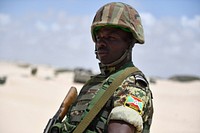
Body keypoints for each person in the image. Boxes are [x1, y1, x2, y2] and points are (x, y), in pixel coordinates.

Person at [51, 2, 153, 133]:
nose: (101, 43)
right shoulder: (95, 82)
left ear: (130, 43)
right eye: (99, 37)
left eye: (111, 37)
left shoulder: (132, 85)